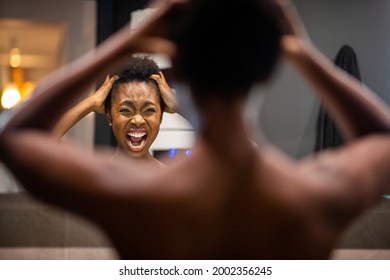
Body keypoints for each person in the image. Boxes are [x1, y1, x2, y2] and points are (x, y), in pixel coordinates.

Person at [1, 0, 390, 259]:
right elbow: (383, 140)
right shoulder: (309, 195)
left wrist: (129, 42)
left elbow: (18, 137)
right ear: (269, 68)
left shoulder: (135, 195)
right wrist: (298, 47)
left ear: (178, 73)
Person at [53, 55, 178, 168]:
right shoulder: (94, 176)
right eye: (126, 110)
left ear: (160, 116)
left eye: (149, 110)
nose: (138, 120)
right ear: (109, 115)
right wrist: (91, 102)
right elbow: (41, 138)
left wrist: (178, 105)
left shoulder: (172, 178)